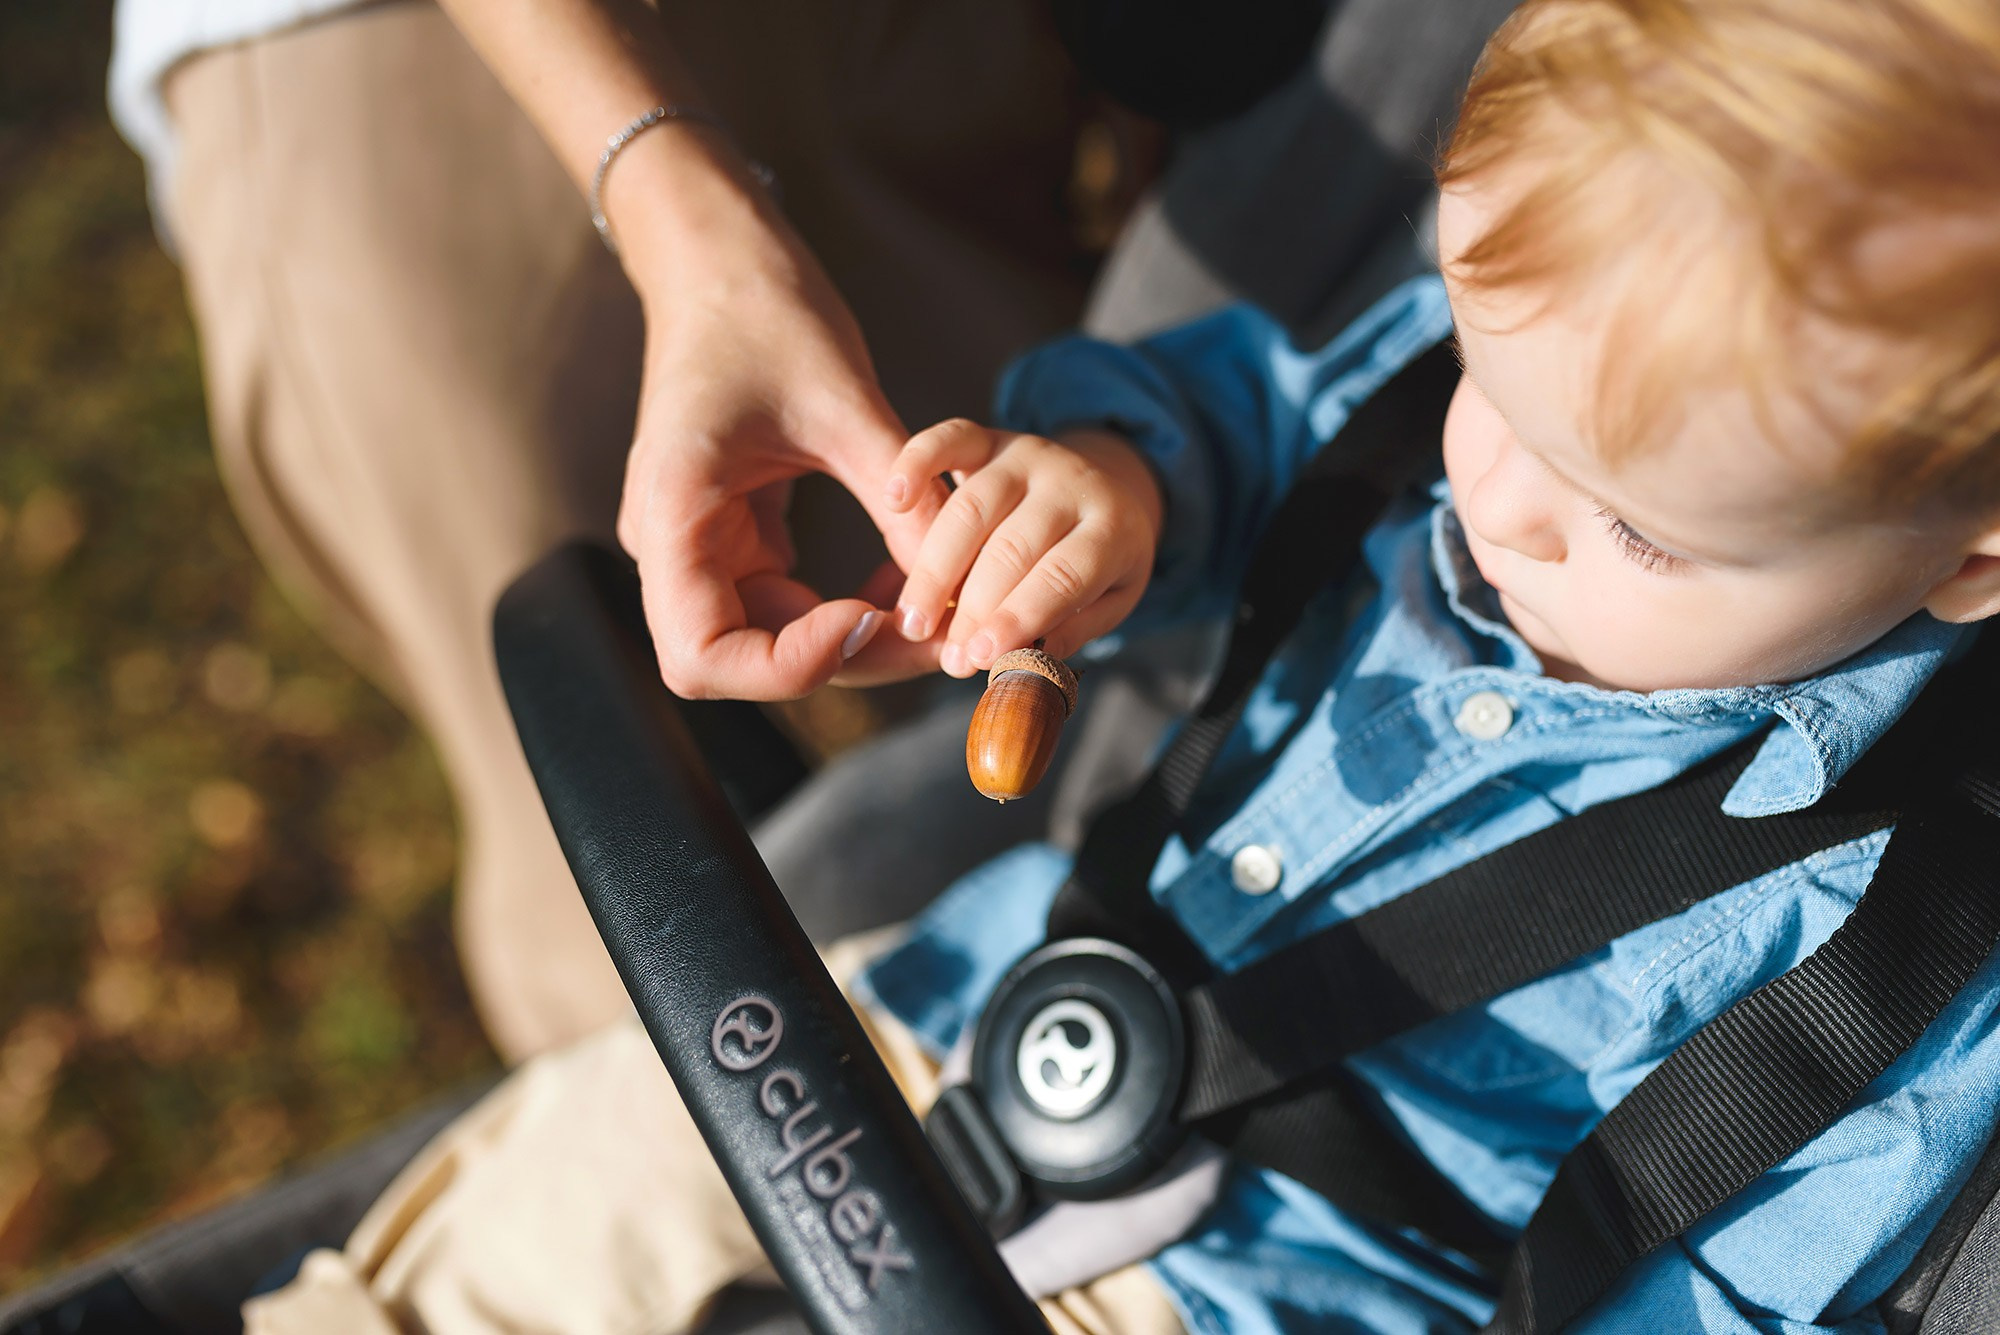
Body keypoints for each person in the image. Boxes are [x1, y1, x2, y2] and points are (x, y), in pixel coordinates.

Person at [237, 0, 2000, 1330]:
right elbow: (1265, 423)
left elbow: (1742, 1289)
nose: (1498, 502)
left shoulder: (1893, 943)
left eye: (1635, 531)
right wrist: (1116, 490)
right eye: (1480, 376)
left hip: (1262, 1297)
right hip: (959, 1016)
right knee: (537, 1220)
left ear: (1973, 556)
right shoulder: (1507, 414)